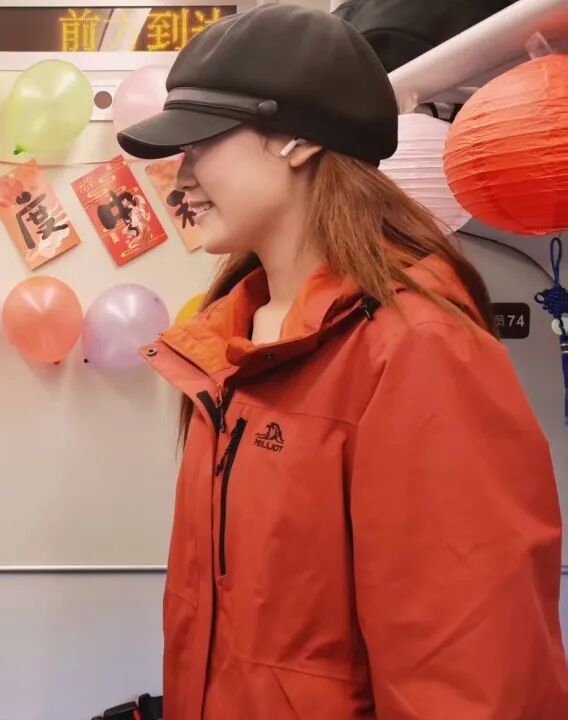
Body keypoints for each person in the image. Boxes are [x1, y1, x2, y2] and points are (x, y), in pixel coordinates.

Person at [118, 6, 567, 719]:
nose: (181, 178)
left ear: (296, 140)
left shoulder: (416, 349)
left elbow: (466, 675)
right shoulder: (226, 345)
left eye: (201, 143)